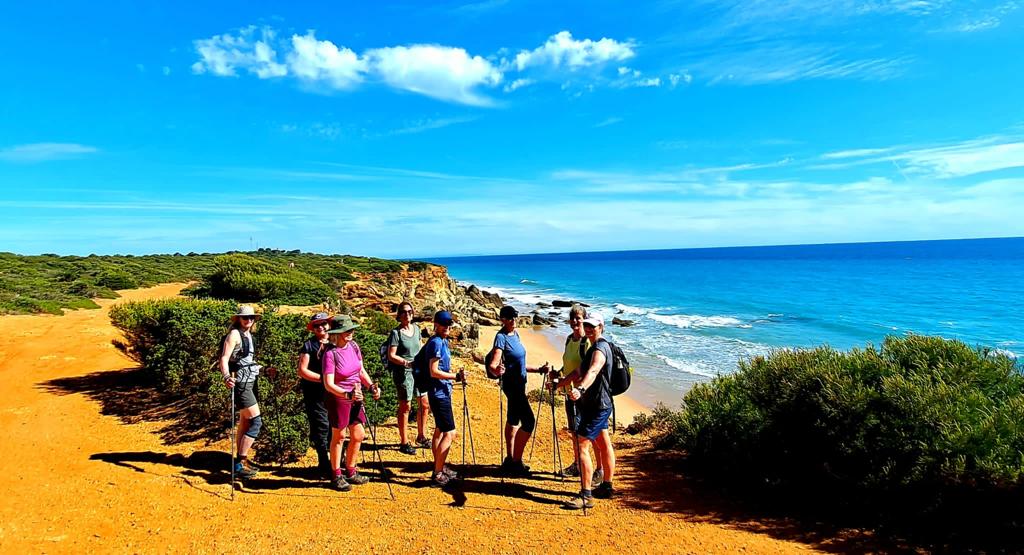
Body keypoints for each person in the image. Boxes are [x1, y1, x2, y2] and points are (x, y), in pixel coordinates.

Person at [486, 305, 551, 477]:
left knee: (513, 419)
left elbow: (519, 365)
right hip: (512, 386)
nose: (514, 320)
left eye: (515, 316)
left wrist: (538, 369)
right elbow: (494, 364)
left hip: (520, 384)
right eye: (510, 317)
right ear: (503, 319)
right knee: (529, 422)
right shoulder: (500, 338)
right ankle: (516, 461)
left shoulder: (516, 335)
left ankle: (510, 458)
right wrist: (496, 370)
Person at [564, 312, 617, 509]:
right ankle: (607, 486)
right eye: (586, 325)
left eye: (592, 326)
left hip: (596, 406)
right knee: (604, 444)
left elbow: (593, 371)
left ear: (601, 327)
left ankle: (586, 495)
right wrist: (563, 382)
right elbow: (580, 370)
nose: (587, 328)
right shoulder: (594, 346)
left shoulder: (600, 348)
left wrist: (580, 389)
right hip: (601, 404)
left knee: (582, 444)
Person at [322, 315, 381, 491]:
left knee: (358, 434)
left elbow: (360, 370)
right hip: (339, 399)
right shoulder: (330, 354)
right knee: (339, 436)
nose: (350, 332)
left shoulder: (354, 346)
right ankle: (336, 474)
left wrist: (370, 386)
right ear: (337, 333)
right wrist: (347, 395)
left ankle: (351, 470)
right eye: (346, 330)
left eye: (351, 329)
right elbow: (328, 384)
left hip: (356, 396)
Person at [548, 304, 602, 480]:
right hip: (570, 393)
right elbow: (569, 364)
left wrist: (563, 382)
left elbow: (583, 370)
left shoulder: (587, 342)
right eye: (572, 318)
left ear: (584, 320)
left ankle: (599, 469)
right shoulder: (569, 339)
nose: (575, 321)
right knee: (574, 431)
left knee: (590, 434)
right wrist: (559, 372)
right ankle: (578, 465)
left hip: (584, 395)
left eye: (578, 318)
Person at [219, 305, 264, 479]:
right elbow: (224, 358)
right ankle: (240, 463)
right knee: (255, 422)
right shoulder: (235, 335)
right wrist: (225, 377)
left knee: (245, 421)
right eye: (245, 318)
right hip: (241, 383)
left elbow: (247, 360)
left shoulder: (248, 335)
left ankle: (240, 460)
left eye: (251, 318)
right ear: (238, 319)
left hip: (249, 380)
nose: (249, 320)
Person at [424, 310, 464, 486]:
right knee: (450, 432)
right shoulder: (436, 343)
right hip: (438, 393)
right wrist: (455, 377)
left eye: (449, 324)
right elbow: (433, 371)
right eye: (444, 324)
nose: (447, 327)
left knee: (440, 429)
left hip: (441, 391)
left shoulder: (442, 341)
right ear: (436, 325)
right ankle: (438, 473)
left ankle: (439, 465)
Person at [387, 302, 430, 455]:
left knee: (424, 405)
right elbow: (391, 355)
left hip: (418, 371)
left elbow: (420, 348)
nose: (407, 314)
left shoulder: (417, 329)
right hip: (404, 373)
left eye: (410, 311)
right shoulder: (395, 333)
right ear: (399, 315)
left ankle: (421, 436)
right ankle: (404, 441)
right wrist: (406, 362)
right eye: (404, 312)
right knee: (406, 407)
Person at [296, 312, 334, 477]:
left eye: (323, 323)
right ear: (313, 329)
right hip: (315, 392)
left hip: (333, 392)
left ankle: (337, 462)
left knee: (336, 425)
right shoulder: (309, 345)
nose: (321, 327)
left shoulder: (334, 342)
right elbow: (302, 370)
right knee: (321, 426)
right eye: (317, 325)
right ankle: (323, 461)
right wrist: (324, 380)